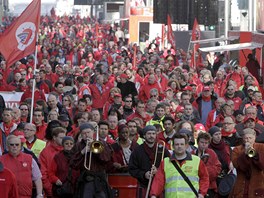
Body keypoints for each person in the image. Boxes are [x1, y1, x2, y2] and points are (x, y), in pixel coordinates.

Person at [150, 133, 209, 198]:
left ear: (186, 146)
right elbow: (158, 181)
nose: (179, 146)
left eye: (182, 144)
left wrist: (201, 193)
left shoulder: (196, 161)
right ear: (173, 146)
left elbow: (204, 178)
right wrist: (153, 194)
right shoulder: (165, 162)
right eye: (177, 144)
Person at [70, 123, 113, 197]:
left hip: (100, 180)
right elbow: (73, 164)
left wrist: (96, 152)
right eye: (84, 133)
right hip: (86, 180)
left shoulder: (102, 143)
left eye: (88, 132)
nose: (86, 135)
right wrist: (82, 152)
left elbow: (107, 159)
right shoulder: (78, 145)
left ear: (93, 132)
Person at [129, 125, 170, 198]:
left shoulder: (162, 149)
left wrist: (158, 171)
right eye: (149, 134)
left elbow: (170, 166)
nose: (151, 136)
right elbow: (132, 169)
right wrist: (144, 174)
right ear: (144, 135)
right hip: (144, 185)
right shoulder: (137, 151)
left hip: (159, 186)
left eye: (153, 134)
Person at [231, 128, 264, 197]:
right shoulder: (237, 149)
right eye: (246, 138)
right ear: (242, 138)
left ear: (254, 138)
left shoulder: (262, 147)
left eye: (250, 138)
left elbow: (261, 166)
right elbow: (237, 165)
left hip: (257, 186)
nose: (248, 140)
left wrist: (255, 156)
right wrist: (244, 155)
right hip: (241, 187)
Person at [39, 127, 66, 197]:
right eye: (61, 138)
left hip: (67, 190)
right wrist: (49, 189)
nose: (64, 140)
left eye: (64, 138)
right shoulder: (45, 152)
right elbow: (43, 173)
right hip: (52, 189)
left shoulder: (68, 151)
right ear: (54, 137)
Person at [193, 132, 222, 197]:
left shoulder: (211, 153)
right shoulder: (192, 154)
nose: (204, 145)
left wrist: (206, 171)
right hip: (195, 186)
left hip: (210, 186)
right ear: (197, 142)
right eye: (202, 142)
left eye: (206, 143)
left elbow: (218, 168)